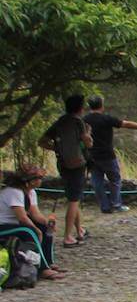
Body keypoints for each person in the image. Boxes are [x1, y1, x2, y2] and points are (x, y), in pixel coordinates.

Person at [84, 95, 137, 213]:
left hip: (91, 156)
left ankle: (104, 207)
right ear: (102, 105)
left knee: (97, 181)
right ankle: (116, 204)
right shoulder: (106, 119)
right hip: (107, 155)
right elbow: (127, 124)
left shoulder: (84, 120)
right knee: (115, 179)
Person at [38, 94, 92, 247]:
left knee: (73, 196)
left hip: (62, 163)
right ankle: (68, 237)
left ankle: (79, 230)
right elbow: (87, 143)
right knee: (74, 200)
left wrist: (57, 148)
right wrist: (88, 135)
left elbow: (41, 141)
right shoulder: (78, 122)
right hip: (77, 164)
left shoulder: (60, 122)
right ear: (80, 108)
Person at [0, 165, 65, 280]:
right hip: (3, 226)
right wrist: (36, 230)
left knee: (46, 228)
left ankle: (48, 261)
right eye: (38, 178)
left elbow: (35, 214)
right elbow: (22, 218)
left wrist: (47, 223)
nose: (40, 180)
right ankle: (43, 268)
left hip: (14, 224)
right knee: (29, 231)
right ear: (28, 182)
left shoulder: (31, 192)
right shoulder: (14, 192)